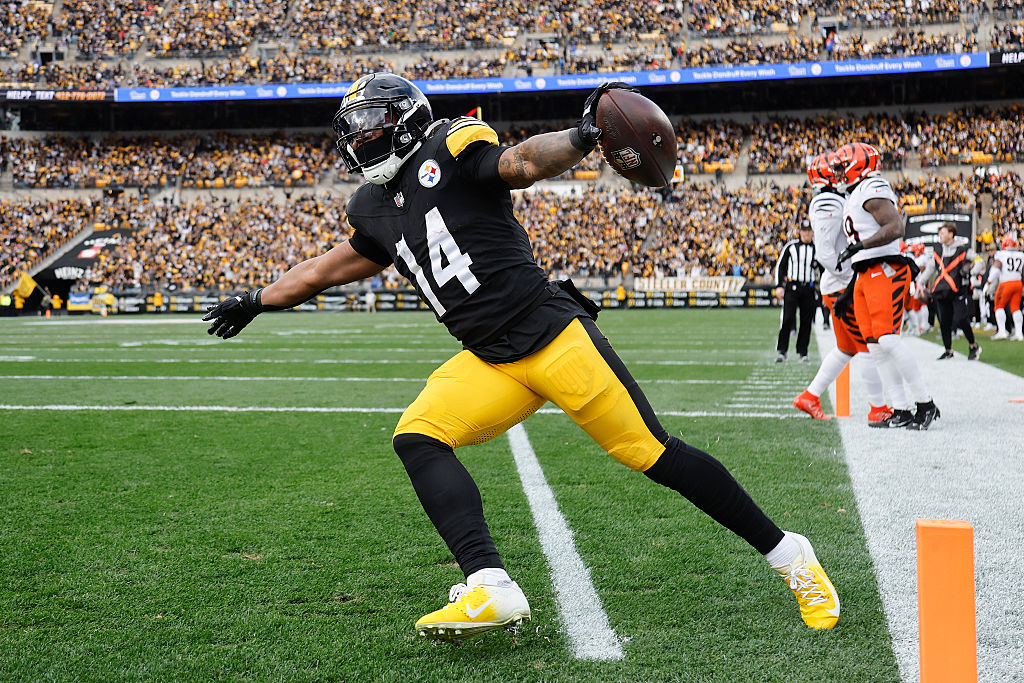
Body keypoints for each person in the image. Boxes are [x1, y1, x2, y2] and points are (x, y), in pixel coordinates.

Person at [203, 74, 840, 642]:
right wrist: (257, 299)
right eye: (355, 134)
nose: (359, 144)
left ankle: (792, 556)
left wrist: (584, 136)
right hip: (488, 358)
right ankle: (490, 585)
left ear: (402, 122)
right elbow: (328, 268)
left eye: (368, 130)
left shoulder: (449, 146)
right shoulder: (370, 205)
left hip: (552, 336)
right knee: (419, 437)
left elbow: (522, 163)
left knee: (654, 455)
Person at [832, 142, 939, 430]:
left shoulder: (871, 187)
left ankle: (925, 404)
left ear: (858, 164)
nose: (840, 173)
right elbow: (864, 250)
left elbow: (895, 227)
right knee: (875, 346)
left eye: (843, 166)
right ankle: (901, 408)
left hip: (886, 268)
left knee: (888, 338)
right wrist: (847, 291)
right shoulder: (856, 193)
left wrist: (859, 248)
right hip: (866, 273)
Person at [792, 154, 891, 425]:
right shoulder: (826, 201)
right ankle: (878, 408)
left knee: (846, 348)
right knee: (867, 346)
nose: (841, 175)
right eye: (835, 172)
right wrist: (850, 277)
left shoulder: (830, 199)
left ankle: (810, 397)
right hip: (840, 287)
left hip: (838, 285)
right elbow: (825, 253)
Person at [915, 222, 982, 359]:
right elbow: (930, 269)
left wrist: (971, 272)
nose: (940, 235)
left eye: (943, 233)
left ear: (951, 234)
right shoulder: (938, 251)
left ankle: (973, 345)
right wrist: (920, 283)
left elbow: (980, 261)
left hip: (958, 290)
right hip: (942, 290)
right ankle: (948, 350)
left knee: (960, 319)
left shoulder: (964, 250)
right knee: (944, 321)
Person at [773, 222, 818, 362]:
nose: (806, 234)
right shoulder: (791, 246)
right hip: (792, 287)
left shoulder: (817, 249)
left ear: (812, 232)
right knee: (787, 319)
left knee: (806, 321)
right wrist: (779, 285)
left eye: (809, 231)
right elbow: (781, 266)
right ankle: (782, 351)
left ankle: (803, 352)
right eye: (804, 231)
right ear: (800, 232)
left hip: (809, 288)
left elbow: (823, 268)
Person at [984, 236, 1024, 340]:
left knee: (999, 306)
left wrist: (988, 283)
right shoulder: (1021, 255)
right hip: (1018, 283)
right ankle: (1019, 333)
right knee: (1016, 308)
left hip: (1006, 283)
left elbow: (996, 270)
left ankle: (1002, 331)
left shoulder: (1001, 254)